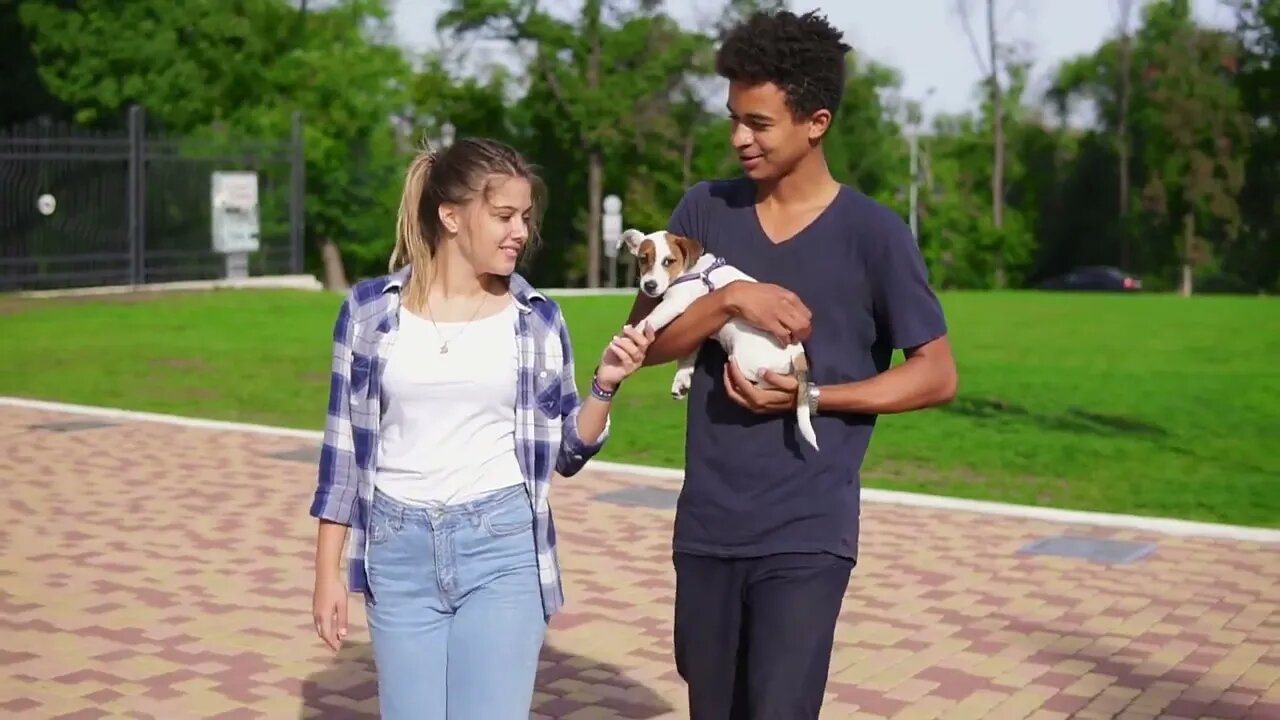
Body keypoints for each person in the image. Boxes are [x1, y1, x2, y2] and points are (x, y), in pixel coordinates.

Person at [625, 10, 958, 720]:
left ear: (816, 121)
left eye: (759, 122)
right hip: (708, 524)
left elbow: (936, 373)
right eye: (732, 118)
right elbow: (639, 348)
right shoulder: (703, 212)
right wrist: (726, 302)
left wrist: (814, 396)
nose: (739, 138)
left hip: (809, 529)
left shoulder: (875, 235)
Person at [309, 137, 654, 720]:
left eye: (524, 217)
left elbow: (568, 452)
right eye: (503, 216)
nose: (519, 231)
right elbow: (341, 454)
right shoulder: (368, 312)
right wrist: (327, 576)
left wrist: (605, 384)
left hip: (502, 549)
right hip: (397, 550)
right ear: (450, 216)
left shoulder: (537, 319)